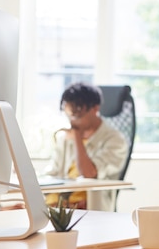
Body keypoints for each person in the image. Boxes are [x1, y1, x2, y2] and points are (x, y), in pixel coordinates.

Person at [43, 82, 129, 211]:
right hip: (57, 206)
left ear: (95, 109)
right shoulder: (64, 139)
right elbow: (52, 174)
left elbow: (89, 173)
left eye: (77, 115)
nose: (72, 121)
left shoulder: (115, 140)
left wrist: (77, 136)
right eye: (69, 115)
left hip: (88, 208)